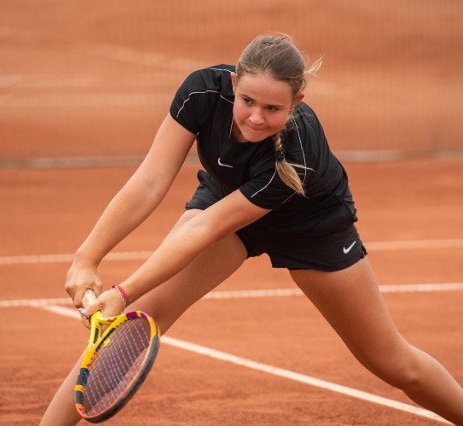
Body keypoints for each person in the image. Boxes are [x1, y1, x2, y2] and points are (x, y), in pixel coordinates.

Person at [40, 34, 463, 425]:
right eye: (247, 101)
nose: (256, 118)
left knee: (393, 363)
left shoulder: (298, 150)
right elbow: (151, 180)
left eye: (273, 109)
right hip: (227, 198)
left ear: (297, 101)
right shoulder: (202, 91)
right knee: (138, 321)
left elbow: (207, 227)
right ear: (233, 81)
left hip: (309, 225)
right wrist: (86, 258)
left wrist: (123, 290)